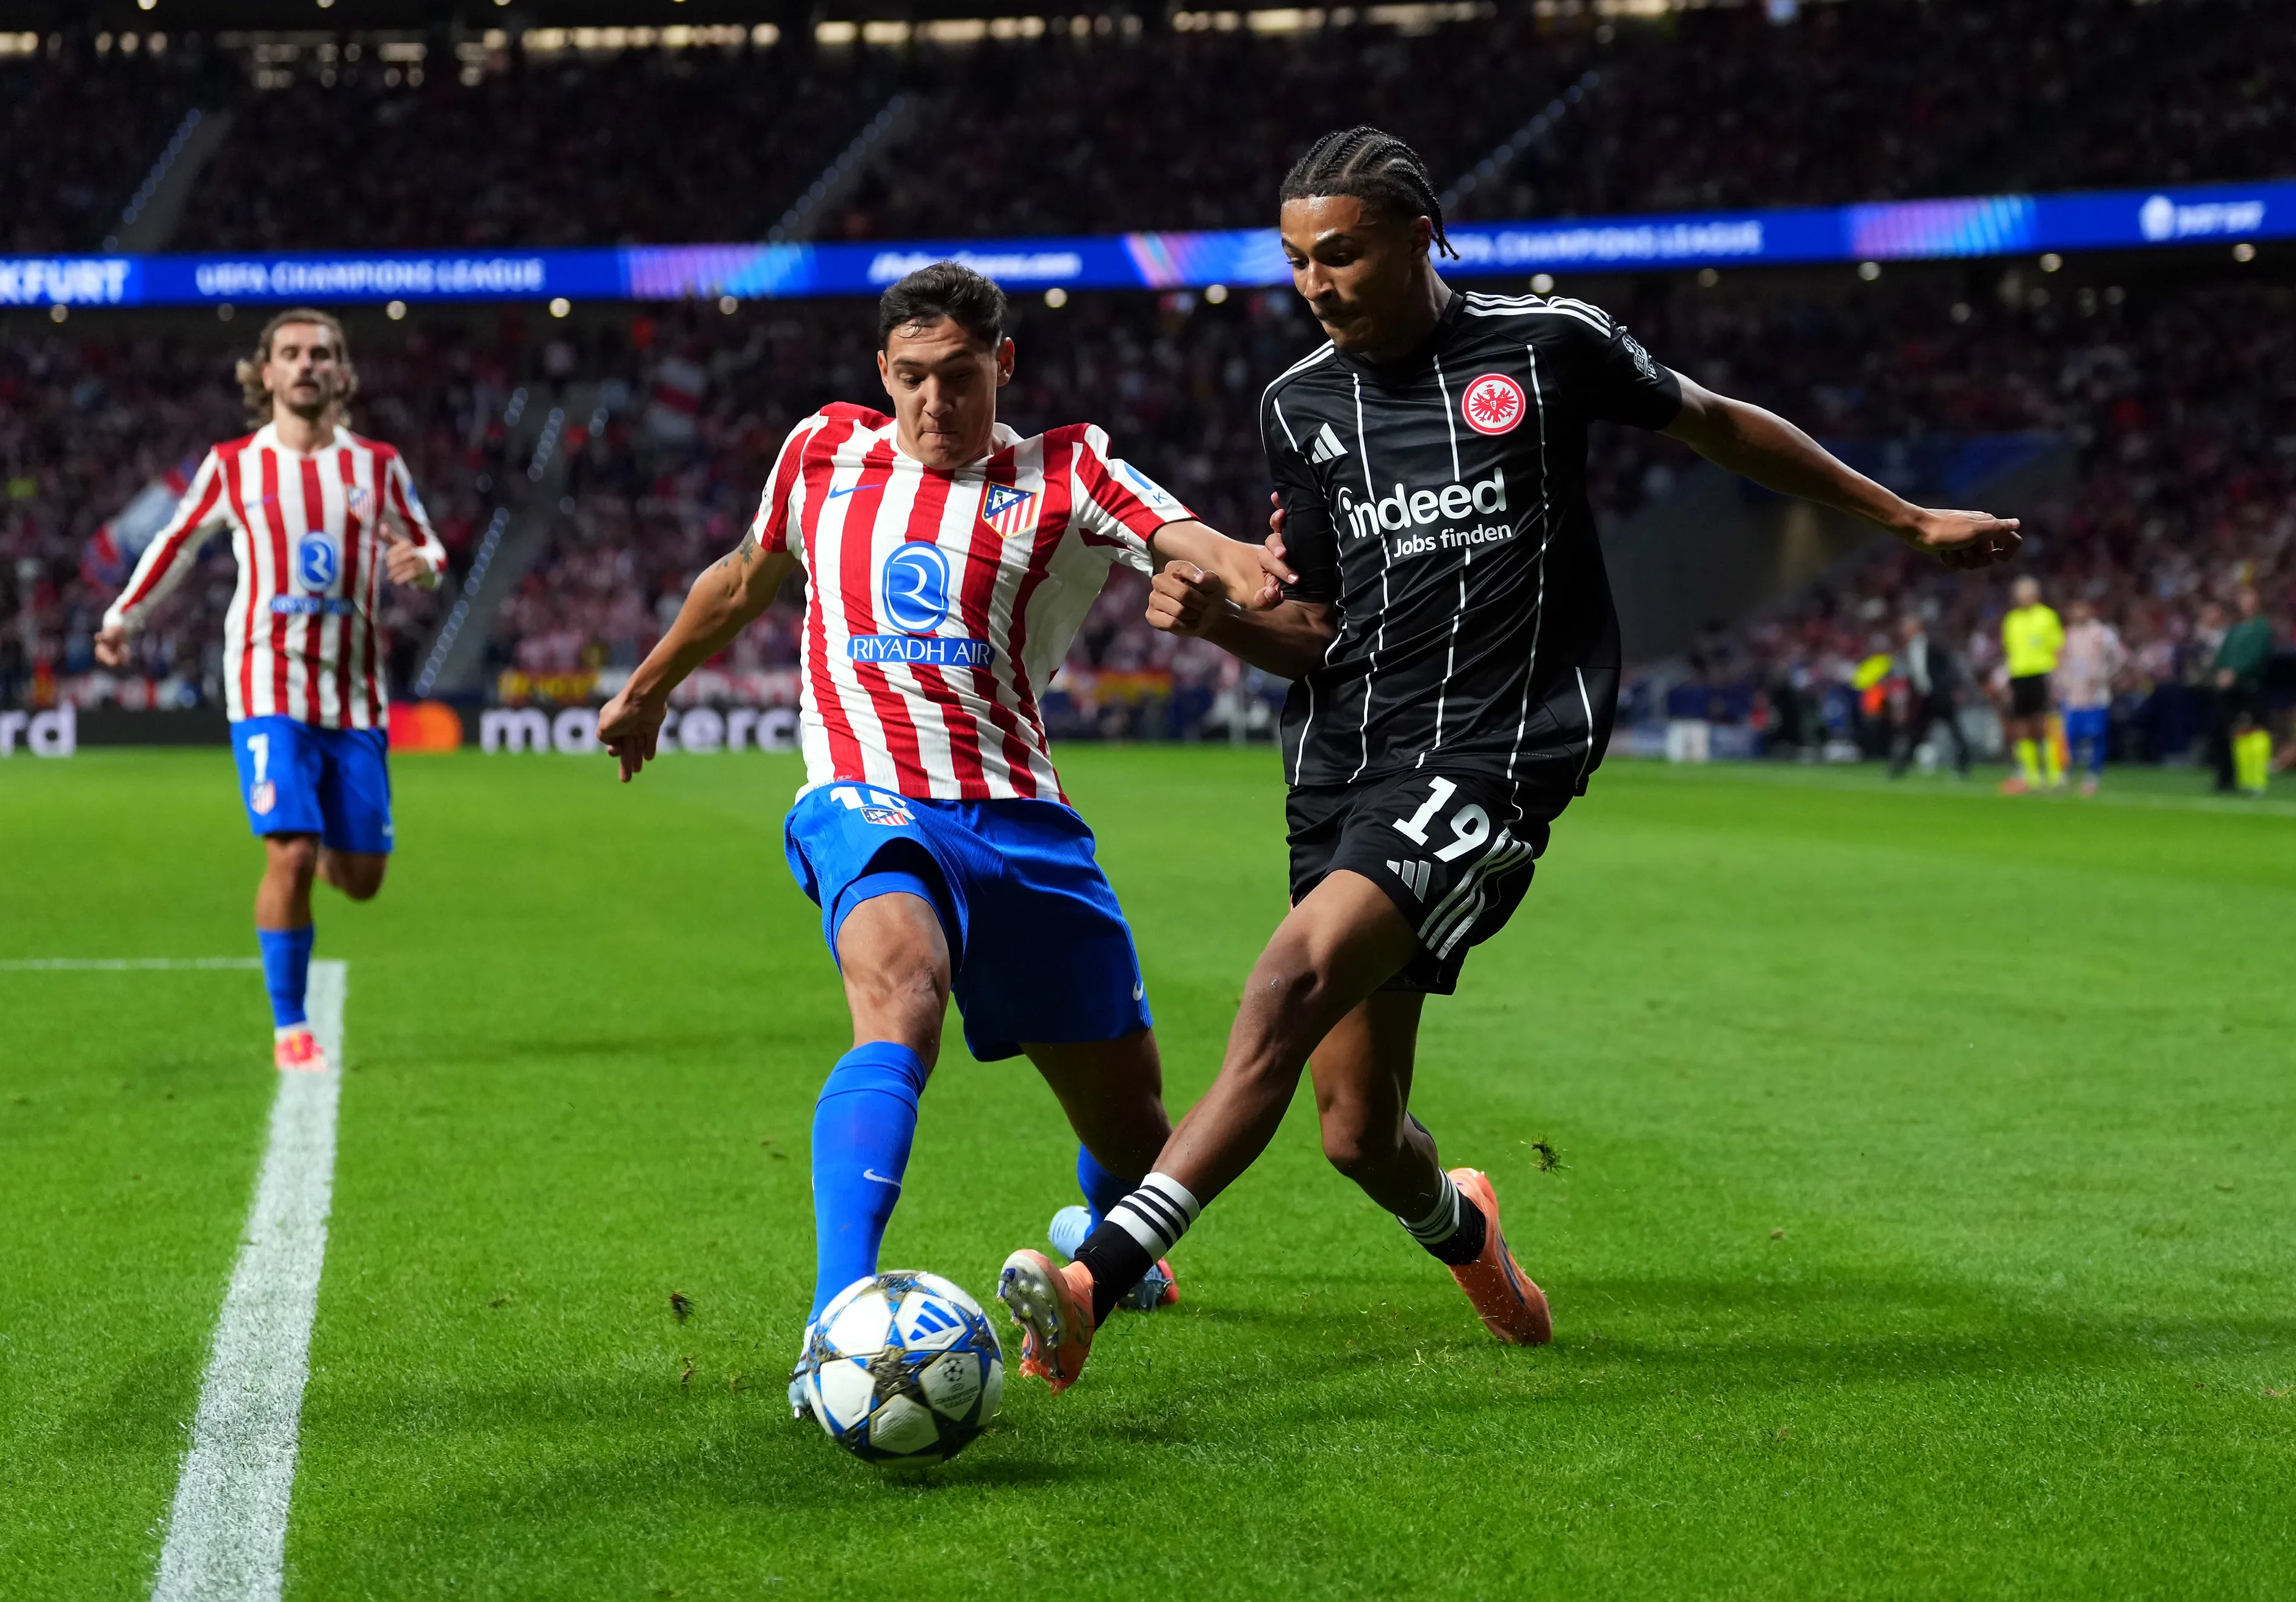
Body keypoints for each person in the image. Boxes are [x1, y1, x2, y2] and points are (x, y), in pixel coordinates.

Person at [994, 127, 2024, 1390]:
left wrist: (1907, 518)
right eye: (1298, 262)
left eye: (1344, 254)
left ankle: (1095, 1277)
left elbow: (1717, 425)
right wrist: (1222, 622)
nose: (1317, 284)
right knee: (1358, 1132)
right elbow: (1316, 632)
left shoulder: (1548, 346)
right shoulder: (1296, 408)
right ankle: (1469, 1232)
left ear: (1424, 235)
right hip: (1342, 764)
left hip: (1496, 753)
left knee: (1282, 986)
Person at [593, 263, 1293, 1399]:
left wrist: (1242, 566)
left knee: (1135, 1134)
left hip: (1021, 820)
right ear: (882, 373)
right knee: (900, 990)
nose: (933, 403)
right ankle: (836, 1322)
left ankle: (1114, 1250)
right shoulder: (822, 450)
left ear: (1001, 366)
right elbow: (743, 577)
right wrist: (652, 683)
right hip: (865, 794)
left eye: (958, 378)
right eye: (911, 378)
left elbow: (1178, 531)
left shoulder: (1063, 468)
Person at [93, 308, 445, 1070]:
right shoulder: (233, 464)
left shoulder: (378, 465)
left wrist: (426, 562)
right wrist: (123, 616)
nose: (307, 365)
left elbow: (428, 540)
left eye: (322, 354)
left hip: (354, 697)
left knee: (362, 881)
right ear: (267, 373)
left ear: (343, 373)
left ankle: (326, 845)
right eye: (290, 354)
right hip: (265, 683)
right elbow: (177, 542)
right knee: (286, 853)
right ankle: (290, 1026)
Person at [1996, 575, 2065, 795]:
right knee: (2022, 726)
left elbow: (2058, 648)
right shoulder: (2011, 620)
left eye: (2027, 593)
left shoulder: (2047, 617)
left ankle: (2055, 774)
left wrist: (2059, 675)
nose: (2023, 598)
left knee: (2045, 723)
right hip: (2019, 676)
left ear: (2036, 595)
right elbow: (2009, 650)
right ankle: (2031, 774)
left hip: (2042, 674)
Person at [2054, 597, 2127, 796]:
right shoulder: (2067, 635)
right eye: (2075, 610)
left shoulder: (2102, 634)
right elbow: (2060, 661)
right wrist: (2060, 682)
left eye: (2082, 609)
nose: (2078, 614)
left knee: (2096, 735)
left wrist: (2106, 675)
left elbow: (2120, 657)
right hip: (2072, 694)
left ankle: (2092, 776)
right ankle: (2065, 774)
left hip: (2096, 695)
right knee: (2069, 737)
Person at [1889, 611, 1971, 780]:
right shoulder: (1909, 648)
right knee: (1916, 731)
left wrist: (1953, 689)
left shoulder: (1933, 645)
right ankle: (1900, 766)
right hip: (1924, 697)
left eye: (1906, 627)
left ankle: (1963, 765)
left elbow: (1949, 667)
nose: (1903, 631)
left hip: (1940, 696)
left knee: (1954, 731)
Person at [2208, 586, 2272, 794]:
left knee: (2246, 732)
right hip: (2228, 689)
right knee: (2221, 731)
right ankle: (2225, 776)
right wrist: (2220, 671)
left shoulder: (2261, 628)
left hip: (2247, 687)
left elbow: (2256, 657)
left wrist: (2235, 673)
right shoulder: (2235, 629)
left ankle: (2247, 777)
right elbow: (2223, 655)